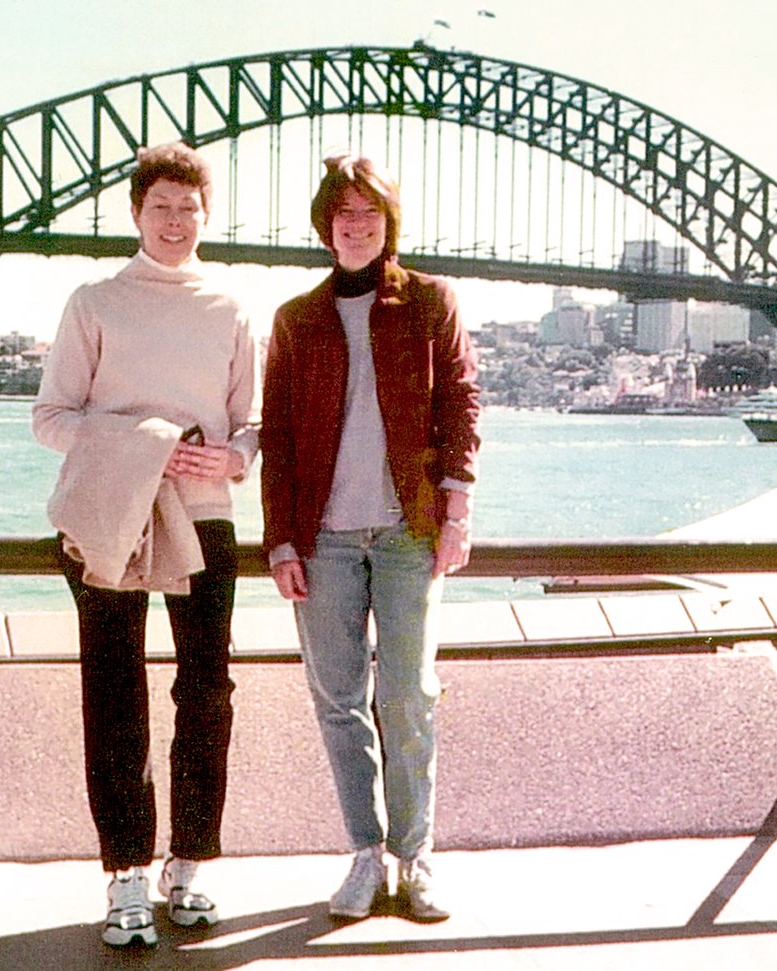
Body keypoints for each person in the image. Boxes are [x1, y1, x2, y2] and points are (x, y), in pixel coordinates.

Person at [32, 142, 259, 949]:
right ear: (135, 213)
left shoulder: (230, 308)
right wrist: (145, 443)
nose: (174, 221)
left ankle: (190, 863)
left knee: (208, 692)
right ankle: (125, 872)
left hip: (204, 515)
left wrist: (233, 456)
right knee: (113, 690)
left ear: (206, 215)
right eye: (160, 205)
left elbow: (252, 425)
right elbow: (49, 417)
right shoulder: (93, 301)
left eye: (188, 207)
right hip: (111, 516)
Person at [260, 153, 480, 922]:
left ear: (389, 225)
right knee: (338, 702)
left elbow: (459, 401)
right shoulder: (295, 318)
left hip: (407, 531)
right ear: (326, 226)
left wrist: (458, 509)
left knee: (409, 695)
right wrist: (280, 541)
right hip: (321, 537)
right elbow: (280, 438)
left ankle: (415, 856)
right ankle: (363, 853)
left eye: (370, 214)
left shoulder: (428, 302)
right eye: (343, 214)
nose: (356, 226)